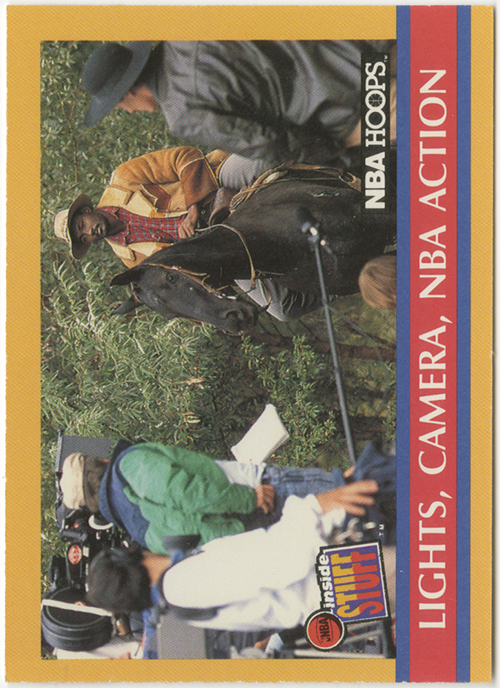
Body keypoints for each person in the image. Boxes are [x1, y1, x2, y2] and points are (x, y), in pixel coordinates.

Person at [85, 479, 382, 632]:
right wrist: (314, 505)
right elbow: (280, 561)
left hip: (340, 591)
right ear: (129, 559)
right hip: (342, 574)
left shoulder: (176, 600)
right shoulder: (181, 583)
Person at [80, 40, 395, 167]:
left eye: (120, 107)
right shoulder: (184, 34)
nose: (130, 112)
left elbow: (268, 143)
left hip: (354, 108)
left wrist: (331, 151)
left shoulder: (181, 114)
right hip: (361, 47)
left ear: (128, 93)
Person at [59, 438, 356, 555]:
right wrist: (248, 499)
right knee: (352, 489)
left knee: (354, 533)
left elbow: (199, 540)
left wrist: (246, 525)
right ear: (99, 461)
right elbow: (186, 492)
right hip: (261, 491)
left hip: (258, 533)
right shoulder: (128, 465)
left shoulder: (135, 531)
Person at [52, 146, 267, 269]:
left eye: (81, 225)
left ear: (85, 211)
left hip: (215, 185)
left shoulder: (124, 178)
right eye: (83, 238)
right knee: (279, 307)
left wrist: (193, 212)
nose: (89, 232)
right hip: (217, 242)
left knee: (265, 158)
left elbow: (184, 157)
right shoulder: (131, 258)